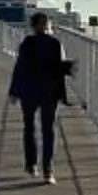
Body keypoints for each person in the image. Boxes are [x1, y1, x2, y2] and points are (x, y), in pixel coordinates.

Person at [6, 12, 70, 181]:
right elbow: (60, 70)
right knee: (48, 129)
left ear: (33, 26)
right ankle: (47, 169)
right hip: (48, 92)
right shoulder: (55, 43)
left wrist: (14, 91)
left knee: (30, 128)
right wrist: (63, 93)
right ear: (46, 25)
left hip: (29, 91)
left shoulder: (27, 43)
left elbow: (19, 68)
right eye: (46, 23)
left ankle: (32, 165)